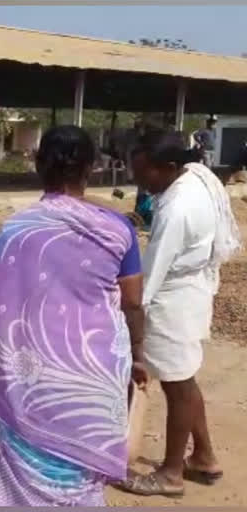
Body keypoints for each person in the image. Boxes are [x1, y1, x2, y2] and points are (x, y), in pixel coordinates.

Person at [0, 125, 147, 506]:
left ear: (39, 166)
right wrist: (138, 355)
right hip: (90, 375)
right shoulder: (118, 229)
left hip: (23, 375)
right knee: (78, 470)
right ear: (91, 168)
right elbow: (133, 303)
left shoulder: (15, 229)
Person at [119, 131, 239, 497]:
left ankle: (171, 474)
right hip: (191, 288)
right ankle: (203, 456)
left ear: (168, 167)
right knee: (184, 377)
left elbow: (147, 282)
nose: (138, 180)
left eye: (144, 173)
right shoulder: (196, 176)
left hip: (175, 301)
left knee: (178, 385)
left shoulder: (176, 210)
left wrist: (129, 321)